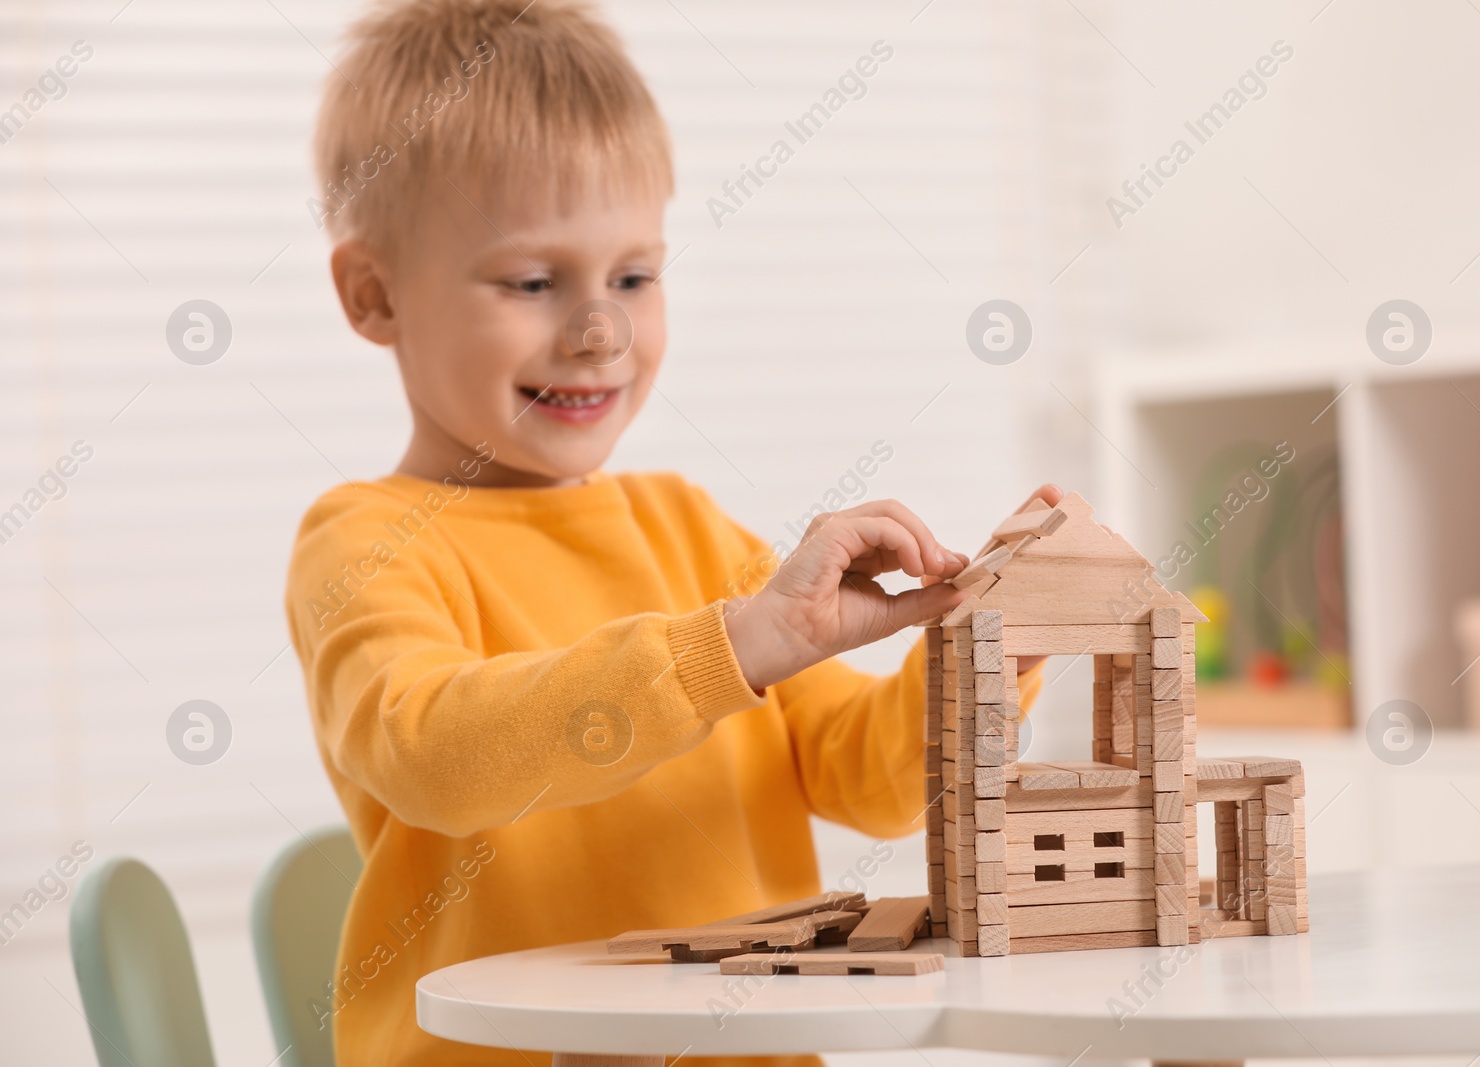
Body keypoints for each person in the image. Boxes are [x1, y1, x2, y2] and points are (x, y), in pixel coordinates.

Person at [285, 1, 1053, 1061]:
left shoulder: (689, 527)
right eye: (532, 281)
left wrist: (980, 649)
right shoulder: (370, 540)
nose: (599, 329)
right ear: (374, 295)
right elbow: (433, 755)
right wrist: (725, 648)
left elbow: (869, 786)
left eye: (633, 277)